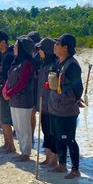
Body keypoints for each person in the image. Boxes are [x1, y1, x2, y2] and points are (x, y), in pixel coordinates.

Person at [49, 34, 84, 179]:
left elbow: (78, 88)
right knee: (58, 137)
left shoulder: (72, 65)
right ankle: (62, 164)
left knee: (69, 138)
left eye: (57, 44)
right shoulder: (58, 63)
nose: (54, 46)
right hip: (55, 107)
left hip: (67, 109)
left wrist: (72, 100)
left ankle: (75, 169)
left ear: (65, 47)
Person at [3, 36, 35, 161]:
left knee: (24, 127)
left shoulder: (27, 63)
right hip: (13, 99)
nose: (14, 47)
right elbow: (9, 78)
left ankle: (26, 152)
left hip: (23, 100)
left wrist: (10, 92)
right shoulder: (16, 61)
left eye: (16, 46)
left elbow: (23, 82)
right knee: (17, 126)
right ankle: (22, 150)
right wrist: (5, 90)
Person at [35, 37, 58, 167]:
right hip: (42, 104)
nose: (39, 51)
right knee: (45, 131)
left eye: (41, 49)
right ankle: (48, 157)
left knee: (52, 133)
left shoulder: (54, 64)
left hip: (52, 105)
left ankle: (54, 160)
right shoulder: (43, 63)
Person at [0, 30, 15, 153]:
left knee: (5, 120)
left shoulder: (9, 56)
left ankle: (10, 145)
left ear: (3, 42)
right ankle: (6, 143)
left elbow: (7, 74)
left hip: (4, 90)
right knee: (1, 119)